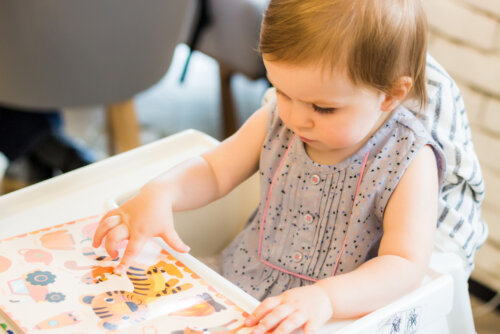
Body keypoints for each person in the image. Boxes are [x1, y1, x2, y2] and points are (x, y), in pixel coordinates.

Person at [92, 0, 484, 332]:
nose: (297, 118)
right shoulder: (278, 120)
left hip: (334, 314)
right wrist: (163, 191)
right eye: (282, 90)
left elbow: (403, 265)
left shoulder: (408, 159)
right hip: (238, 281)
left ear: (390, 95)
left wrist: (326, 299)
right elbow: (214, 170)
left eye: (323, 107)